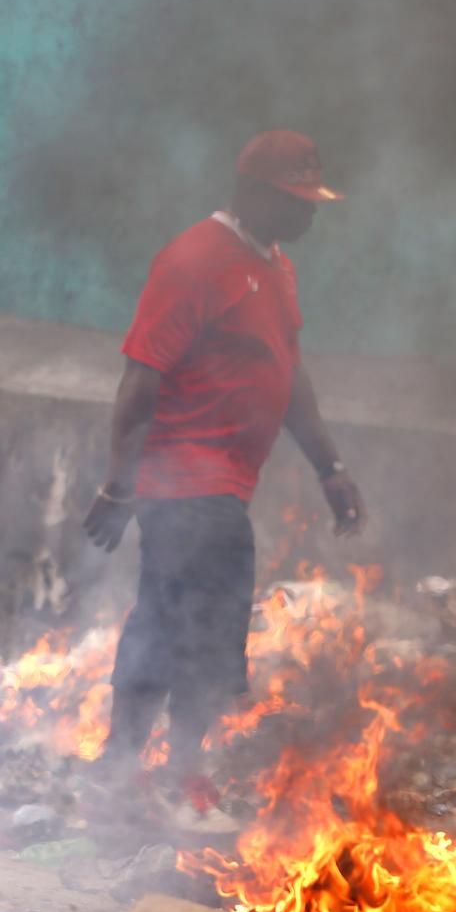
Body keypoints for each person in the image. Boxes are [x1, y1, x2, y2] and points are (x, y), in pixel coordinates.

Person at [82, 130, 366, 831]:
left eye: (313, 200)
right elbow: (140, 375)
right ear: (254, 193)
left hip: (221, 484)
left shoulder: (275, 265)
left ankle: (127, 775)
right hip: (185, 482)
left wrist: (330, 466)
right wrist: (120, 486)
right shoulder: (194, 262)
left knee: (166, 618)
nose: (309, 214)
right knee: (200, 630)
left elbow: (288, 373)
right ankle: (173, 780)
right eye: (296, 201)